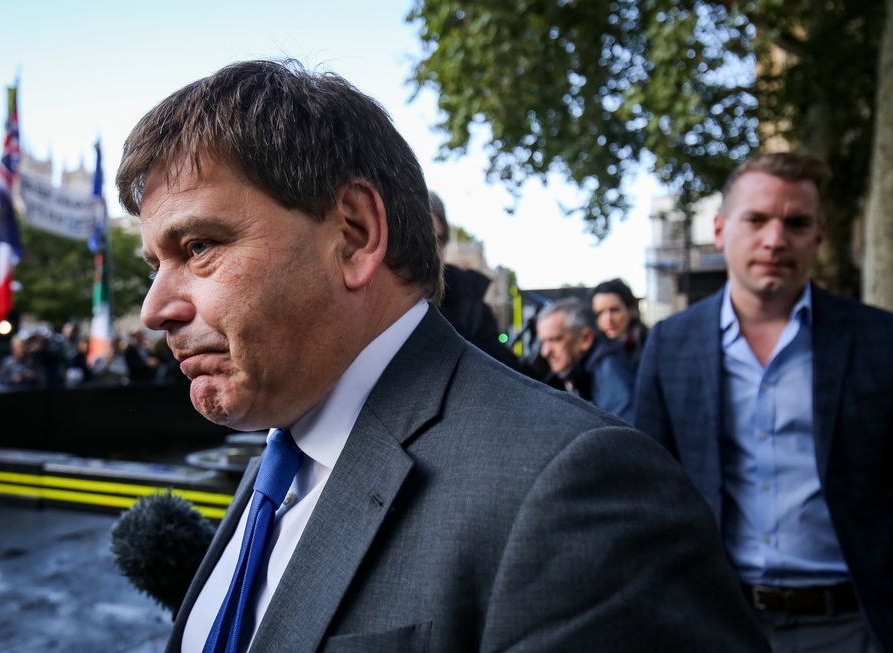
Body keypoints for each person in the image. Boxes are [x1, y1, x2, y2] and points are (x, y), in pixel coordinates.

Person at [116, 59, 767, 652]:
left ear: (354, 233)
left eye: (198, 246)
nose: (155, 307)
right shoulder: (283, 459)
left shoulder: (573, 489)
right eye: (156, 264)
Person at [635, 152, 893, 652]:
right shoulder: (671, 344)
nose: (775, 240)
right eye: (756, 219)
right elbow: (650, 488)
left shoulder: (879, 340)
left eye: (796, 223)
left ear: (818, 235)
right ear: (720, 229)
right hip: (719, 623)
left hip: (854, 625)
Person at [429, 190, 520, 370]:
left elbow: (508, 373)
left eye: (433, 240)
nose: (422, 250)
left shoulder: (472, 310)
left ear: (444, 248)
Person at [536, 297, 636, 424]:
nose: (545, 352)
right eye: (543, 342)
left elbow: (623, 434)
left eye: (555, 339)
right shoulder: (577, 370)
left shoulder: (610, 369)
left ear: (585, 339)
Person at [590, 277, 648, 367]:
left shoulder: (649, 343)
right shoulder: (589, 351)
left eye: (614, 310)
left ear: (630, 310)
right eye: (600, 313)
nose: (608, 319)